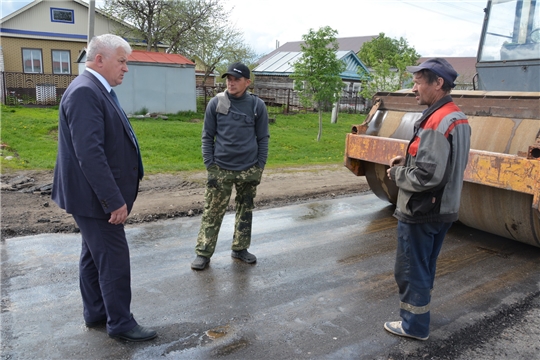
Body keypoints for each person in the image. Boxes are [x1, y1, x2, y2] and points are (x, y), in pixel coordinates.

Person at [52, 34, 156, 342]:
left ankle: (96, 312)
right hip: (95, 199)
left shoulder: (97, 89)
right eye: (122, 61)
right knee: (112, 257)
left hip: (88, 197)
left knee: (93, 255)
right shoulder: (86, 92)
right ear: (100, 59)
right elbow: (90, 154)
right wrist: (113, 201)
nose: (126, 68)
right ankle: (121, 323)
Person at [384, 58, 471, 341]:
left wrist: (397, 173)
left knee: (411, 268)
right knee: (424, 265)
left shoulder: (436, 120)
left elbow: (427, 176)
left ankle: (414, 326)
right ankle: (420, 315)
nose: (414, 88)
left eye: (418, 82)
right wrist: (408, 159)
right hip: (443, 208)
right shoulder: (456, 116)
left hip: (423, 210)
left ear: (438, 83)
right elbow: (442, 162)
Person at [191, 62, 270, 270]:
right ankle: (204, 253)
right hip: (221, 168)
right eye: (228, 79)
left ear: (247, 82)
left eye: (236, 79)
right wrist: (210, 164)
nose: (231, 82)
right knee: (213, 211)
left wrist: (259, 167)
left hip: (249, 167)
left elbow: (263, 138)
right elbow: (207, 135)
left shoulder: (256, 106)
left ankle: (240, 248)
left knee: (245, 209)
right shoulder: (216, 103)